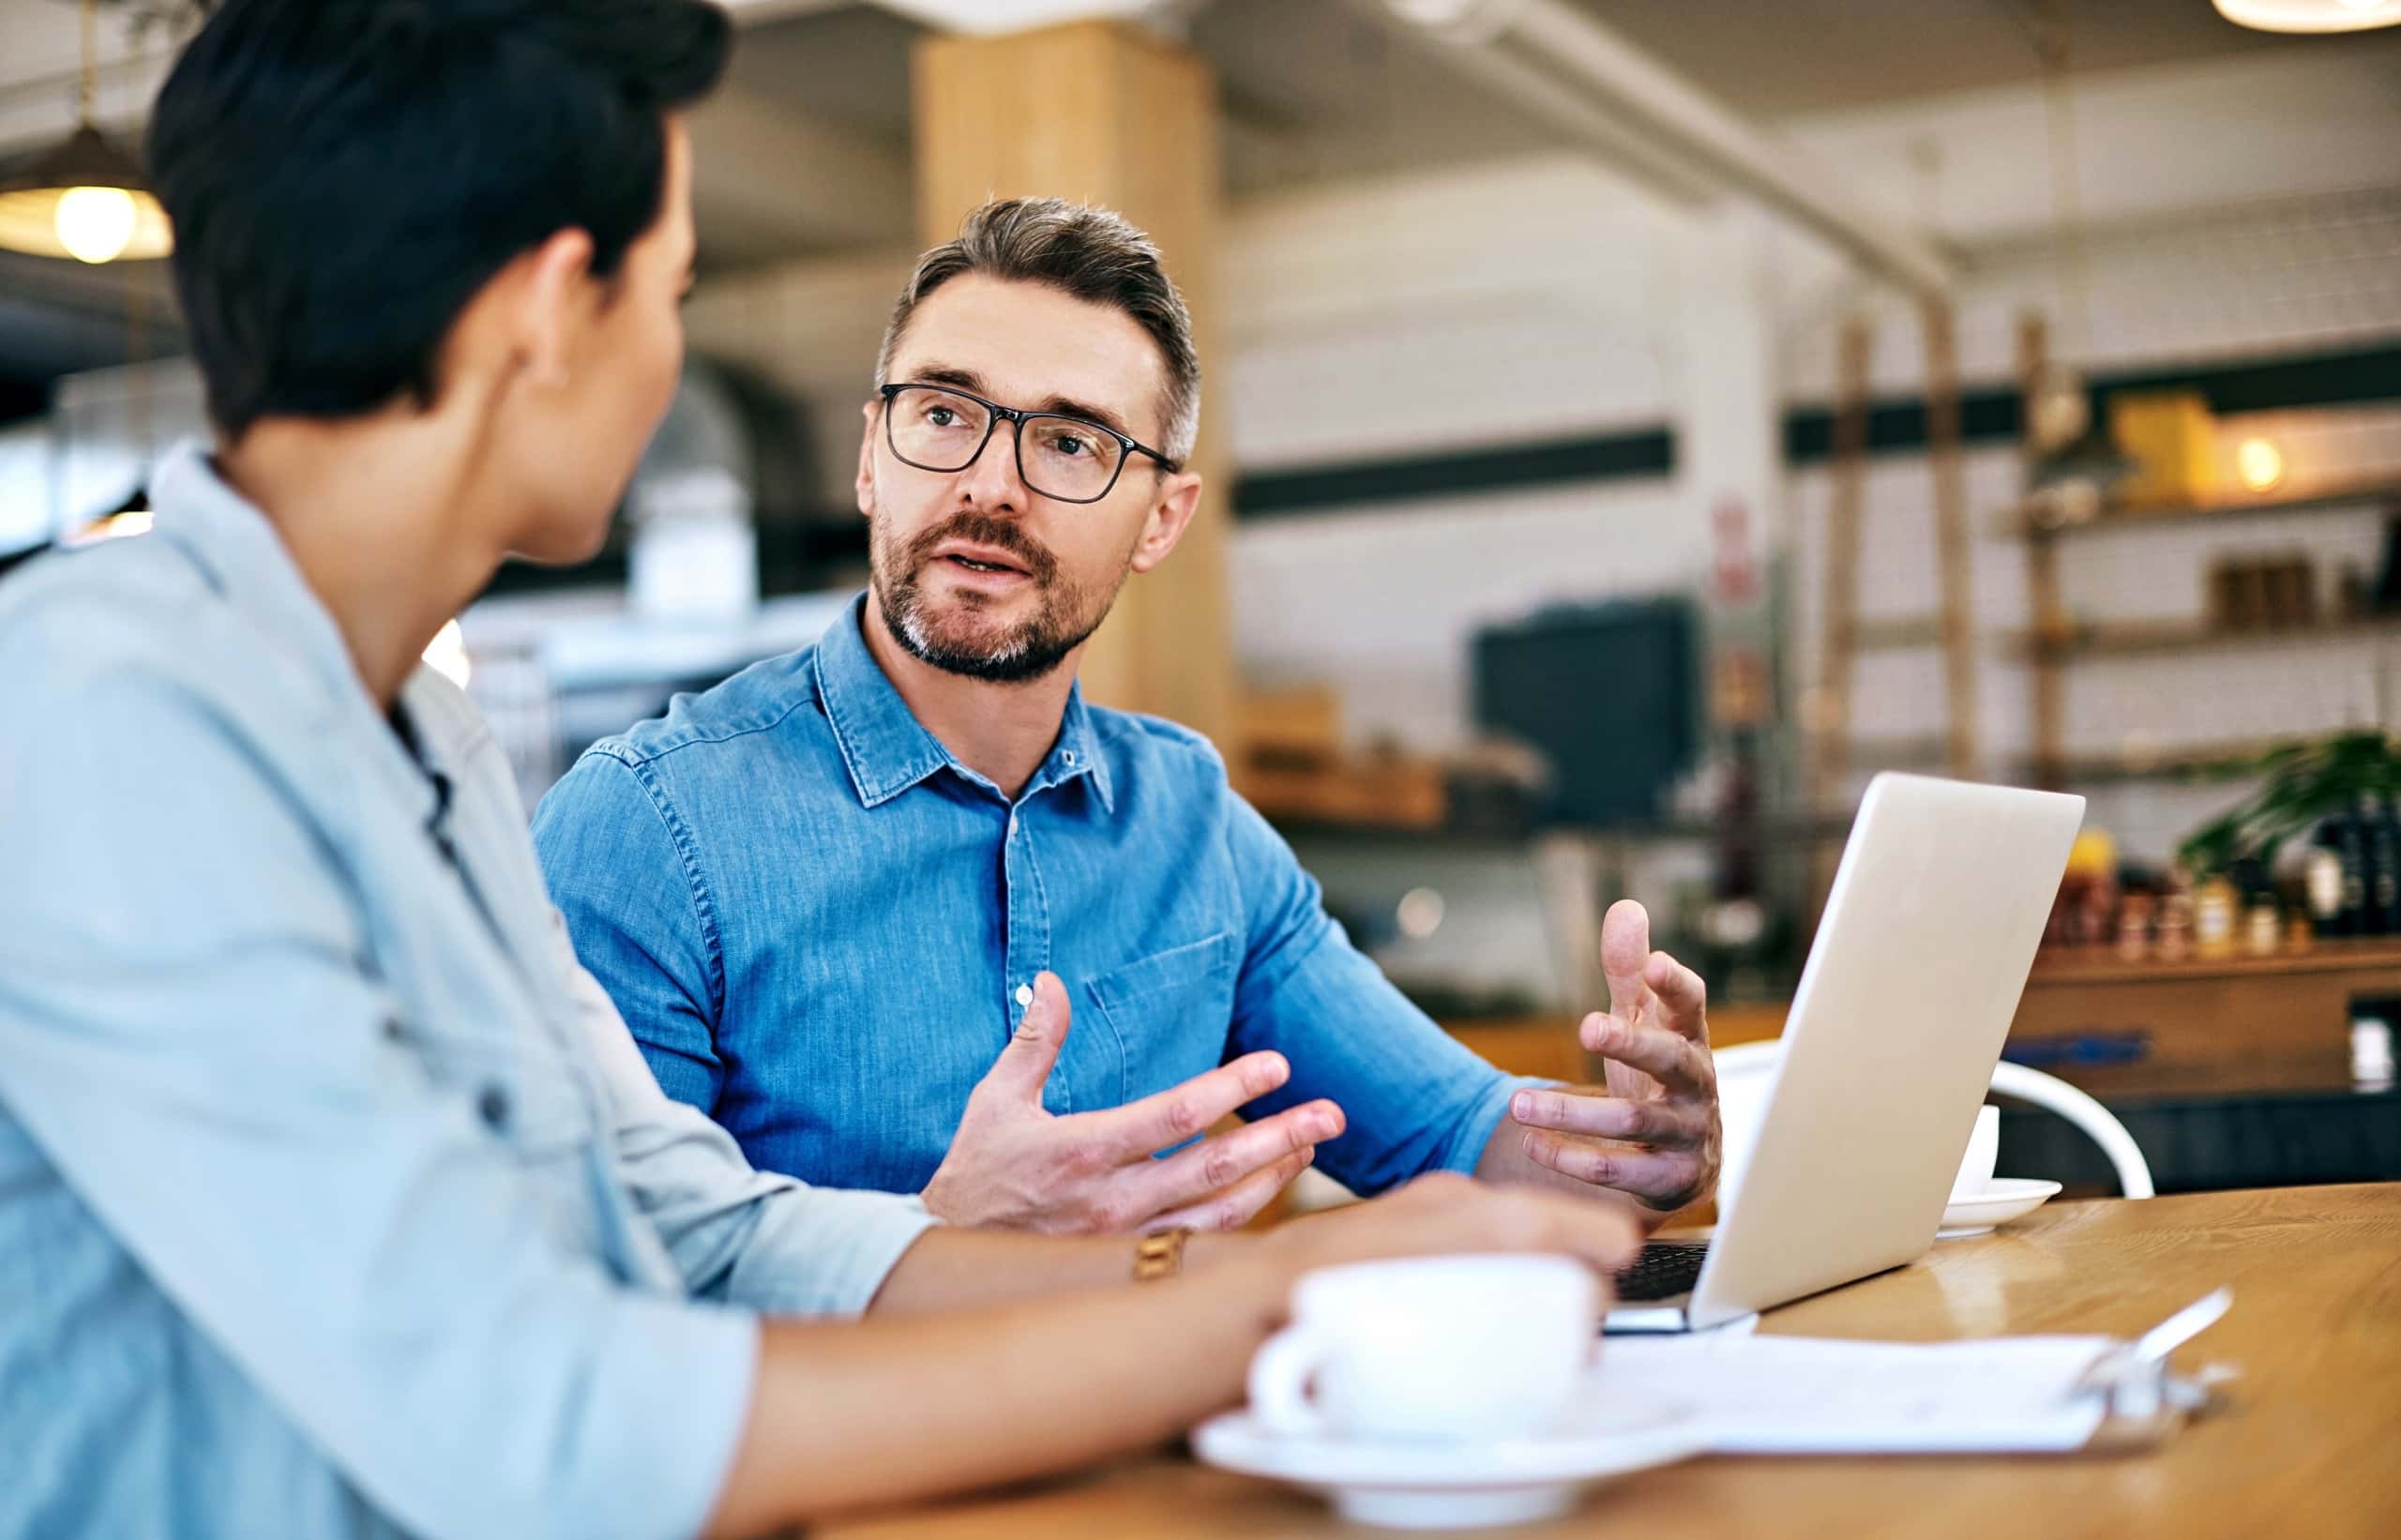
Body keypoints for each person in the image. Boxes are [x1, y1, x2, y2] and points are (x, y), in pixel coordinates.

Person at [0, 6, 1641, 1537]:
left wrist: (1245, 1268)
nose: (669, 360)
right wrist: (1273, 1303)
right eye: (675, 286)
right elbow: (538, 1416)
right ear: (548, 313)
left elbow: (694, 1229)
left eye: (1069, 442)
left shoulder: (413, 731)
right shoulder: (97, 713)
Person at [533, 196, 1724, 1237]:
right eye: (944, 414)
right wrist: (937, 1233)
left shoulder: (1192, 824)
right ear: (868, 458)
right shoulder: (647, 827)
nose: (989, 485)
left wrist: (1635, 1155)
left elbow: (1461, 1140)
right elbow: (582, 1301)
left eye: (1068, 442)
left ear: (1161, 519)